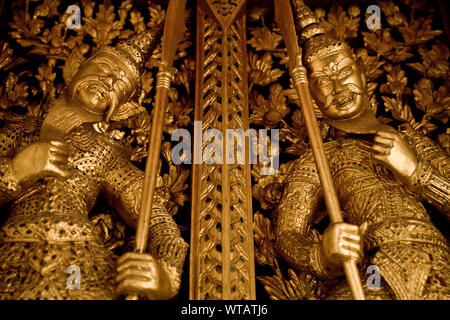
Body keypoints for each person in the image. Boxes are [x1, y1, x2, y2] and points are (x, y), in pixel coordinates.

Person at [274, 0, 449, 299]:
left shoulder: (412, 141)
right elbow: (288, 235)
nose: (338, 87)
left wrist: (416, 171)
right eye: (322, 82)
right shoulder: (320, 157)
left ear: (364, 76)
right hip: (369, 270)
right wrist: (321, 254)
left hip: (437, 265)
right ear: (310, 97)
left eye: (343, 71)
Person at [0, 27, 188, 299]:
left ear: (122, 107)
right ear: (76, 68)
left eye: (120, 85)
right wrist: (16, 171)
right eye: (103, 67)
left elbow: (157, 220)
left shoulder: (104, 152)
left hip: (80, 258)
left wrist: (166, 276)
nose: (109, 81)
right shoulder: (19, 130)